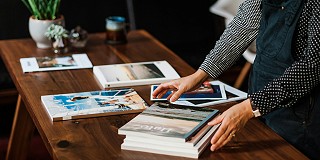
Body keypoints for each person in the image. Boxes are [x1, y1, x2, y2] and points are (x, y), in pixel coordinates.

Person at [152, 0, 320, 159]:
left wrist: (249, 108)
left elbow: (313, 66)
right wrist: (200, 75)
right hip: (258, 91)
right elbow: (244, 26)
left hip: (301, 111)